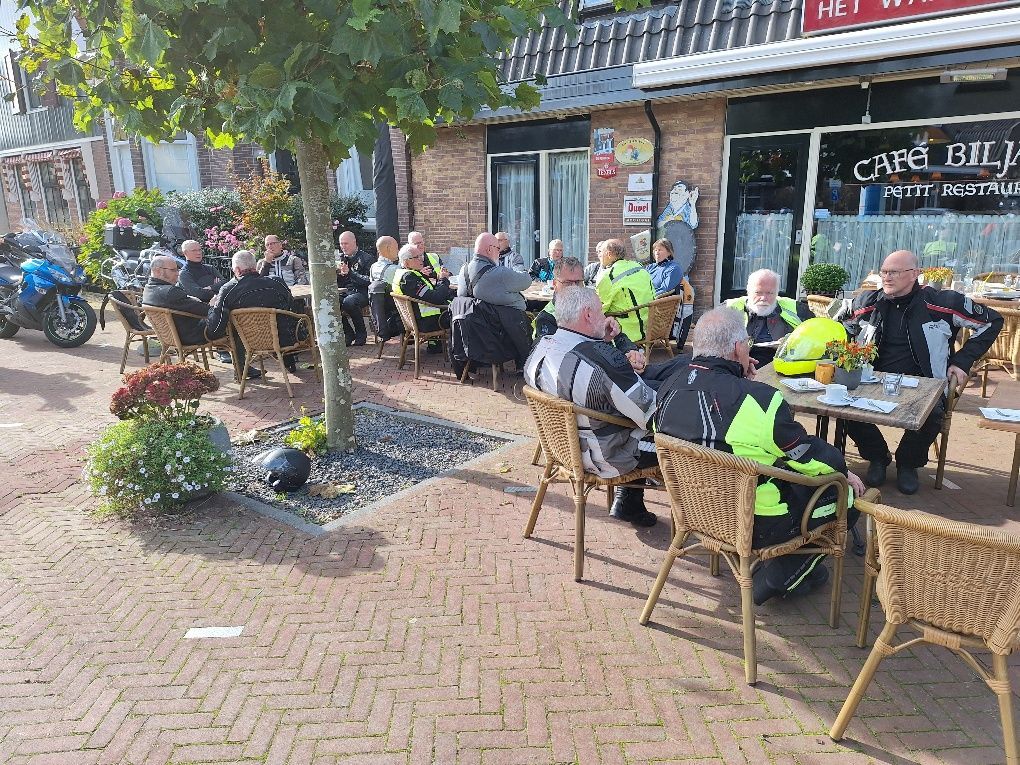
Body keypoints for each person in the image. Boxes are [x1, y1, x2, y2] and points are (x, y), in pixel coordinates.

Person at [653, 307, 867, 605]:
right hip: (759, 522)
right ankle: (782, 575)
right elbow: (808, 456)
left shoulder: (668, 387)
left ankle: (780, 567)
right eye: (747, 344)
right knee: (848, 496)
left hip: (695, 512)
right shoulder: (758, 399)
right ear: (738, 347)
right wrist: (843, 470)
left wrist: (742, 380)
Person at [836, 249, 1002, 495]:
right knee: (841, 407)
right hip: (873, 382)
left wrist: (962, 361)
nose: (887, 277)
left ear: (915, 274)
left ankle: (907, 463)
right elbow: (840, 325)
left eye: (894, 272)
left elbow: (992, 321)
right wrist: (847, 351)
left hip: (925, 385)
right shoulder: (869, 302)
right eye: (884, 272)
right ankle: (877, 456)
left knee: (934, 414)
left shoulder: (943, 303)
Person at [524, 286, 658, 527]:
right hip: (606, 458)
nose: (604, 316)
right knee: (678, 437)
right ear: (588, 314)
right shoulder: (600, 361)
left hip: (562, 449)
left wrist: (602, 341)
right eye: (601, 310)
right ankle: (698, 518)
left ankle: (629, 503)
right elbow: (651, 413)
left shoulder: (539, 348)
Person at [534, 257, 687, 390]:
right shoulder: (547, 319)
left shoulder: (589, 308)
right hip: (606, 383)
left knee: (686, 363)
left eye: (578, 282)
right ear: (555, 284)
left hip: (620, 370)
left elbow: (612, 336)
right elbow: (562, 367)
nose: (574, 288)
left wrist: (629, 351)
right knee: (677, 387)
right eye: (568, 283)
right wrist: (620, 363)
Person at [207, 250, 300, 377]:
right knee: (283, 316)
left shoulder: (228, 290)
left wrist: (212, 307)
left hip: (250, 343)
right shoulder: (277, 282)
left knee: (234, 325)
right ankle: (288, 361)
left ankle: (241, 370)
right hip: (286, 339)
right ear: (255, 266)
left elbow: (216, 328)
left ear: (237, 270)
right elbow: (291, 305)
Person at [726, 268, 813, 365]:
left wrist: (791, 343)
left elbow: (814, 339)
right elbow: (715, 344)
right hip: (738, 364)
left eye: (770, 293)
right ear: (748, 291)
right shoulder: (728, 308)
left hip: (783, 364)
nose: (763, 298)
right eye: (758, 292)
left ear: (777, 293)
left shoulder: (797, 309)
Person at [595, 238, 656, 342]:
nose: (599, 255)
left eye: (601, 252)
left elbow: (600, 308)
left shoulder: (608, 276)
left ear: (609, 254)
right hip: (650, 324)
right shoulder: (639, 266)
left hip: (627, 330)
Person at [142, 255, 210, 347]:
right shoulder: (171, 292)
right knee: (224, 314)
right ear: (158, 271)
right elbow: (205, 311)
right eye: (173, 270)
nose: (178, 274)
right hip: (191, 336)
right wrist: (213, 304)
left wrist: (191, 299)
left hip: (169, 337)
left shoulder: (148, 288)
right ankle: (224, 352)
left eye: (177, 270)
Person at [392, 243, 456, 336]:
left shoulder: (402, 273)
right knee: (465, 314)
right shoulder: (408, 278)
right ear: (406, 262)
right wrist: (443, 280)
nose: (421, 259)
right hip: (429, 321)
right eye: (416, 257)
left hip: (424, 318)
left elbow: (429, 293)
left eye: (421, 255)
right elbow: (436, 298)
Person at [459, 232, 533, 310]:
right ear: (489, 249)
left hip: (471, 316)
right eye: (498, 249)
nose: (499, 253)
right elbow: (527, 280)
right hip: (503, 316)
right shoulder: (500, 273)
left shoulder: (463, 271)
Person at [335, 230, 377, 346]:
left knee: (349, 302)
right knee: (332, 301)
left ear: (354, 242)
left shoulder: (366, 258)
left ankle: (361, 334)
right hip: (346, 291)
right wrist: (336, 273)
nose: (343, 246)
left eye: (346, 243)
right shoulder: (340, 259)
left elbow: (369, 280)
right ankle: (348, 333)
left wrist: (350, 273)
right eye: (341, 244)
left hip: (363, 292)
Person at [368, 235, 402, 341]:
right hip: (397, 312)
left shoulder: (373, 267)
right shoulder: (395, 269)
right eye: (396, 248)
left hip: (381, 315)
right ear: (388, 248)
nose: (398, 251)